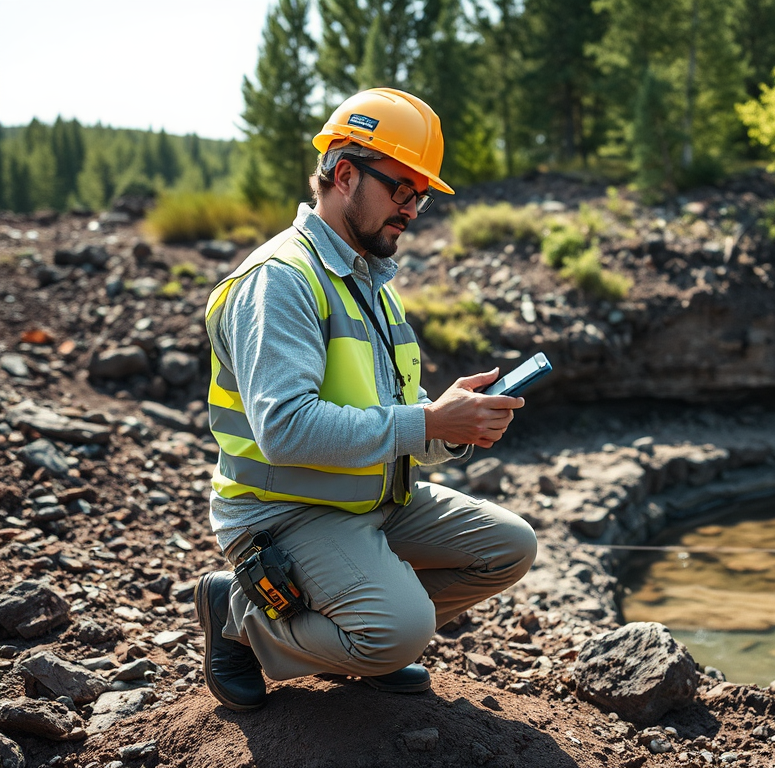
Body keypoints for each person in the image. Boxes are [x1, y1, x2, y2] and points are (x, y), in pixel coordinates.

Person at [195, 87, 538, 711]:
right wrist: (425, 420)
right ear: (344, 174)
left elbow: (387, 423)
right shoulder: (282, 280)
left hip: (369, 498)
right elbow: (286, 430)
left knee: (510, 546)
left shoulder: (371, 283)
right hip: (286, 510)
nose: (412, 208)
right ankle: (240, 615)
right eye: (400, 189)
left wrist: (450, 427)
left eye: (421, 195)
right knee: (402, 630)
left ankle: (360, 637)